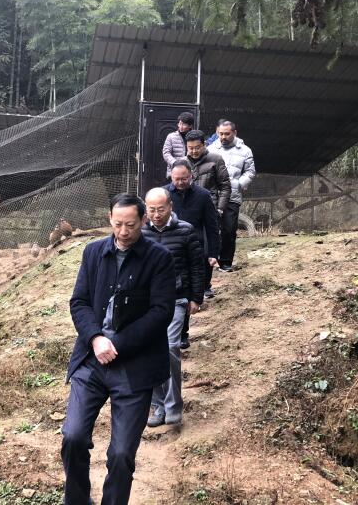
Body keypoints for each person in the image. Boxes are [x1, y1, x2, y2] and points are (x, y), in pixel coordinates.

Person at [62, 193, 176, 505]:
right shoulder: (93, 252)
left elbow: (161, 312)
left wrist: (118, 344)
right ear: (110, 219)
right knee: (73, 437)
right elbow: (79, 302)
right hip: (92, 360)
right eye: (117, 224)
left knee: (122, 453)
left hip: (135, 366)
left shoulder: (159, 258)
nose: (123, 232)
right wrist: (96, 338)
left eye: (131, 225)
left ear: (143, 220)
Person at [141, 187, 204, 427]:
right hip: (145, 303)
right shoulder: (140, 232)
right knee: (148, 352)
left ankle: (173, 406)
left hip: (176, 299)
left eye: (161, 209)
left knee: (169, 348)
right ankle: (158, 407)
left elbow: (196, 266)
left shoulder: (186, 230)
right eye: (152, 210)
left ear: (170, 207)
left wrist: (196, 297)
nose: (156, 215)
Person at [165, 159, 220, 348]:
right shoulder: (164, 195)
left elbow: (212, 226)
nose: (180, 182)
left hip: (194, 248)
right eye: (176, 179)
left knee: (186, 291)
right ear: (171, 177)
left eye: (184, 179)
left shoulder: (203, 196)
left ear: (192, 176)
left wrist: (213, 252)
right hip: (169, 248)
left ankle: (183, 333)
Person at [185, 129, 231, 298]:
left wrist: (220, 208)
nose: (194, 151)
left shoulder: (215, 159)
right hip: (189, 211)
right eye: (190, 148)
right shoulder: (182, 162)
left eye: (197, 147)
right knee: (189, 249)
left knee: (207, 250)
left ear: (204, 145)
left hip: (210, 210)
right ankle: (189, 286)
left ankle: (206, 286)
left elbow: (225, 186)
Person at [208, 120, 256, 272]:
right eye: (220, 134)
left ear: (234, 133)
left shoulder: (245, 151)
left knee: (229, 230)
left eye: (227, 134)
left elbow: (250, 172)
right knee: (211, 229)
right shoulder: (210, 149)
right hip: (213, 196)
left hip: (233, 196)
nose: (223, 137)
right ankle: (211, 259)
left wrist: (238, 184)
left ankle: (226, 262)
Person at [161, 111, 194, 178]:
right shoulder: (171, 136)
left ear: (190, 126)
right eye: (180, 123)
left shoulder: (195, 137)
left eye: (184, 124)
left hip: (190, 172)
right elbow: (166, 153)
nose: (181, 126)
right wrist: (174, 163)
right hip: (174, 172)